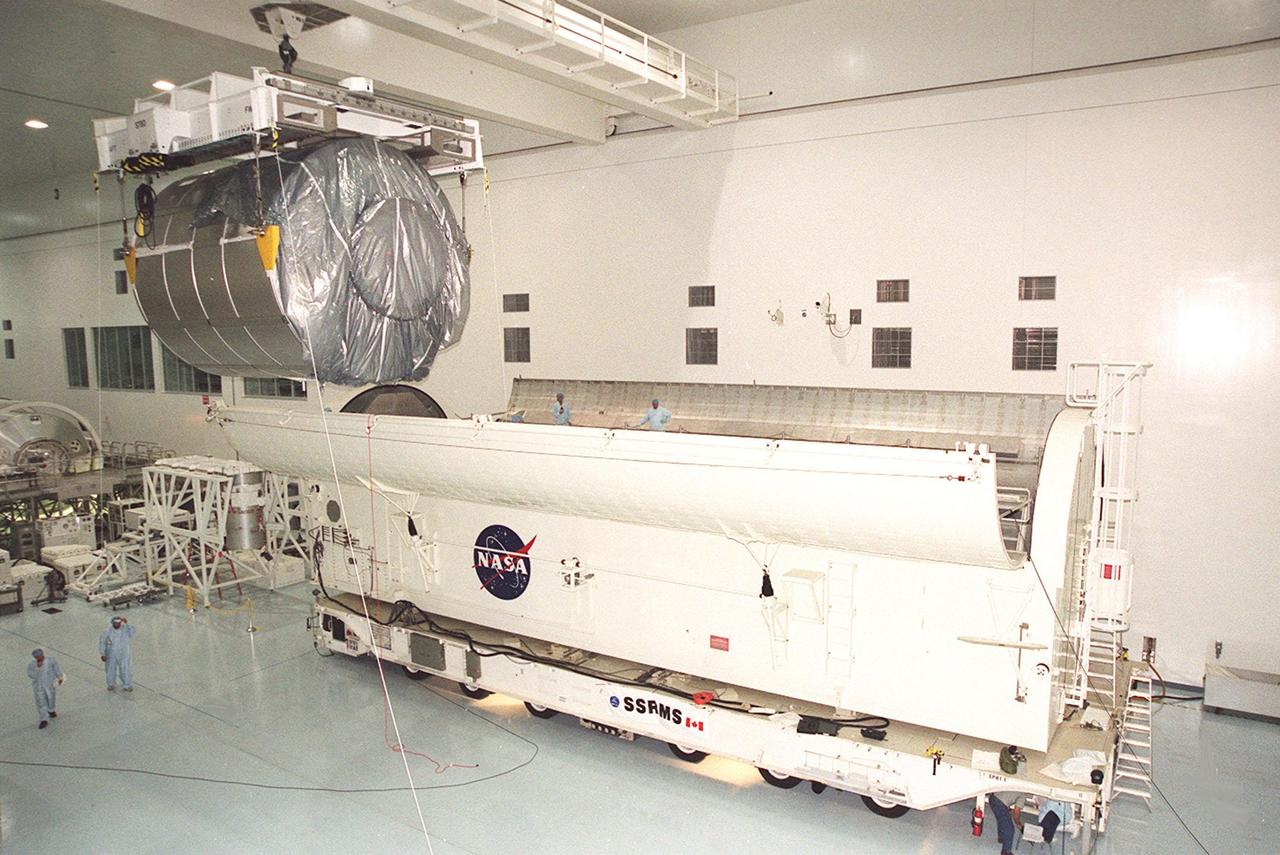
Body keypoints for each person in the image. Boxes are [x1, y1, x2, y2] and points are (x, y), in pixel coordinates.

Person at [27, 648, 64, 729]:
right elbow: (30, 674)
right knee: (41, 702)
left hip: (49, 684)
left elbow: (56, 669)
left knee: (51, 699)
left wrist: (60, 677)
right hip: (39, 687)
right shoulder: (32, 665)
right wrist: (37, 668)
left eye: (40, 656)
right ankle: (44, 719)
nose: (39, 658)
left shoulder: (50, 661)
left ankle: (51, 710)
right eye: (37, 657)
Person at [99, 615, 136, 691]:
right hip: (111, 654)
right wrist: (103, 654)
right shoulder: (107, 632)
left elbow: (133, 631)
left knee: (125, 669)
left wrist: (127, 623)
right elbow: (102, 642)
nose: (117, 625)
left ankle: (127, 685)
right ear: (112, 623)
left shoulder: (125, 629)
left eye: (118, 623)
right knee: (110, 669)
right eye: (115, 623)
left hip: (124, 653)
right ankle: (111, 684)